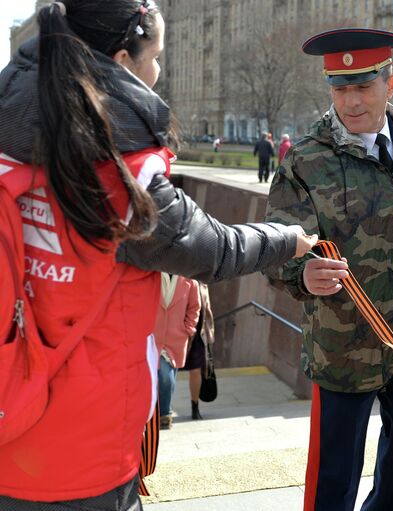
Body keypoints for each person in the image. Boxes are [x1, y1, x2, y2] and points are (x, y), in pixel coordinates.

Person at [0, 1, 316, 509]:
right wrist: (285, 238)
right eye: (157, 57)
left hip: (9, 417)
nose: (159, 71)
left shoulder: (10, 133)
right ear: (123, 61)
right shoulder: (120, 173)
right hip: (82, 449)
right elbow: (209, 249)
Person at [265, 28, 393, 511]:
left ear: (390, 85)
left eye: (363, 87)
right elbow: (277, 247)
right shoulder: (307, 159)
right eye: (340, 89)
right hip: (342, 350)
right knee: (334, 475)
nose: (351, 101)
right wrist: (301, 276)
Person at [154, 274, 201, 429]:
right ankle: (164, 414)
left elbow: (195, 307)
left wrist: (188, 329)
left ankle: (162, 411)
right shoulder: (151, 275)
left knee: (169, 377)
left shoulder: (190, 282)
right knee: (164, 377)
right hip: (152, 337)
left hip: (176, 339)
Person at [180, 281, 215, 421]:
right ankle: (164, 409)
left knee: (196, 370)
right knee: (168, 373)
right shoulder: (179, 281)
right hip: (178, 333)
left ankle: (195, 407)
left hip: (198, 334)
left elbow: (207, 310)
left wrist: (210, 335)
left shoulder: (202, 284)